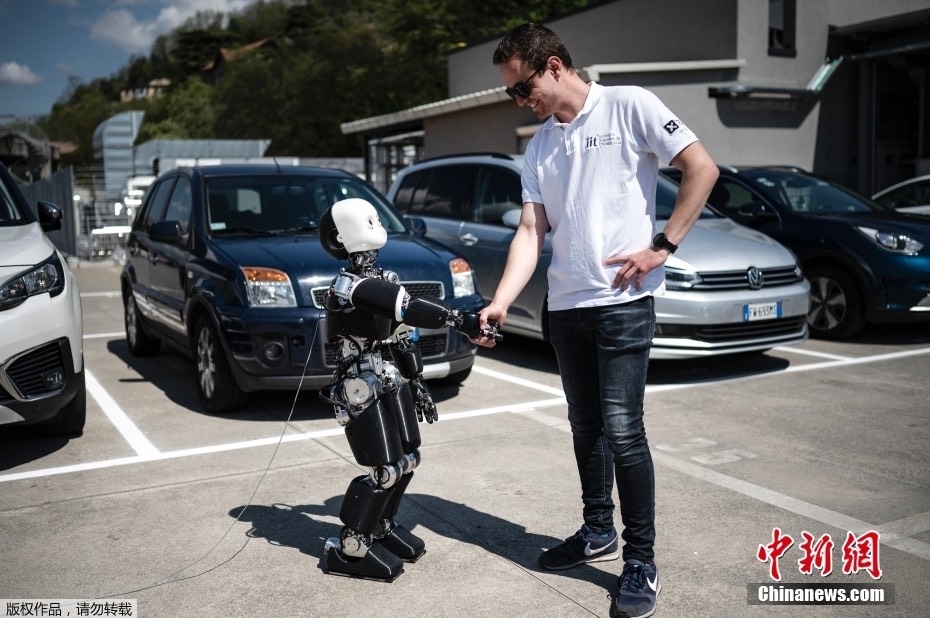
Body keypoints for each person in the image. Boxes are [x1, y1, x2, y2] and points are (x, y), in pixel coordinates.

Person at [476, 23, 719, 618]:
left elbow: (701, 168)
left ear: (554, 65)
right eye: (512, 93)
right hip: (567, 308)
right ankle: (596, 532)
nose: (520, 100)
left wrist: (663, 245)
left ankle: (641, 559)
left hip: (623, 305)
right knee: (585, 427)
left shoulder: (629, 105)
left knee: (622, 430)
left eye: (522, 87)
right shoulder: (538, 147)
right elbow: (531, 231)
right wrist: (502, 301)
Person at [317, 198, 500, 581]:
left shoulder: (381, 280)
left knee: (408, 458)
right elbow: (405, 308)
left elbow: (401, 336)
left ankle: (381, 526)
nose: (374, 225)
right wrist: (460, 319)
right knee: (384, 469)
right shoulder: (350, 285)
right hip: (359, 384)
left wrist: (416, 383)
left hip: (387, 375)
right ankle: (352, 543)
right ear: (340, 237)